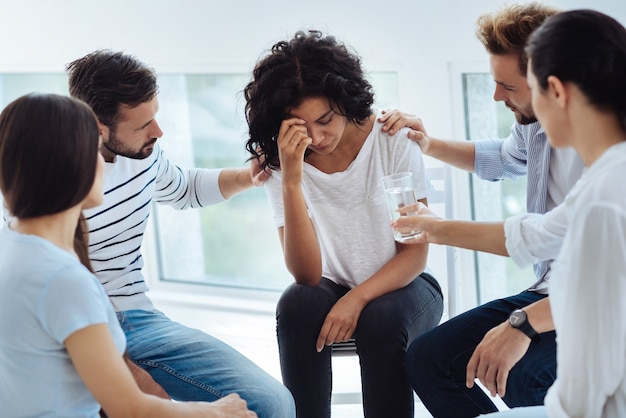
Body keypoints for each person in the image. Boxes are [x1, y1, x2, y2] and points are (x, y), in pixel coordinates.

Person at [378, 3, 586, 417]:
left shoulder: (600, 157)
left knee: (521, 372)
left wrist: (522, 325)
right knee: (429, 358)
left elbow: (541, 238)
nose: (495, 96)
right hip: (550, 287)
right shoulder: (536, 124)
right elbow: (505, 159)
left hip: (593, 302)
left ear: (555, 86)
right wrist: (429, 143)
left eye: (508, 87)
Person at [64, 50, 295, 418]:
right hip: (78, 334)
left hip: (138, 320)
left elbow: (183, 188)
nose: (158, 132)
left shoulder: (142, 154)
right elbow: (59, 304)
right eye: (142, 126)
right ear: (97, 127)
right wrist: (139, 384)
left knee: (272, 403)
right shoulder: (53, 186)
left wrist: (248, 177)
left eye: (154, 117)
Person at [0, 92, 256, 417]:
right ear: (68, 163)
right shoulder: (62, 279)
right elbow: (130, 409)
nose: (105, 164)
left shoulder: (15, 247)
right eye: (93, 149)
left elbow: (184, 187)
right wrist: (219, 412)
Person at [243, 30, 444, 418]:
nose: (317, 138)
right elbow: (306, 273)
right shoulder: (281, 163)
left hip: (407, 284)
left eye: (325, 120)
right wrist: (291, 178)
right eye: (300, 127)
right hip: (330, 286)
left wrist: (357, 299)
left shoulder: (391, 139)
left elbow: (414, 254)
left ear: (344, 100)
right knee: (296, 302)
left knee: (380, 320)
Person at [479, 8, 626, 418]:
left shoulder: (602, 200)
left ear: (557, 92)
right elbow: (533, 235)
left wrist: (522, 324)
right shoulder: (608, 178)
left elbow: (584, 391)